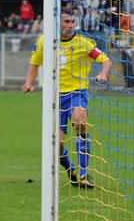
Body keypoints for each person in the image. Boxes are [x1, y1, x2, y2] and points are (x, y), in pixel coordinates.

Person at [22, 11, 111, 189]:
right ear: (57, 22)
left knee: (80, 121)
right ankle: (72, 171)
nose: (70, 25)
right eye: (66, 21)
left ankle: (84, 173)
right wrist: (28, 83)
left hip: (76, 92)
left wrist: (103, 72)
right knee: (57, 145)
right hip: (53, 96)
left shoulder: (83, 42)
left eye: (72, 21)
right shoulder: (44, 41)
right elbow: (35, 63)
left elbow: (105, 59)